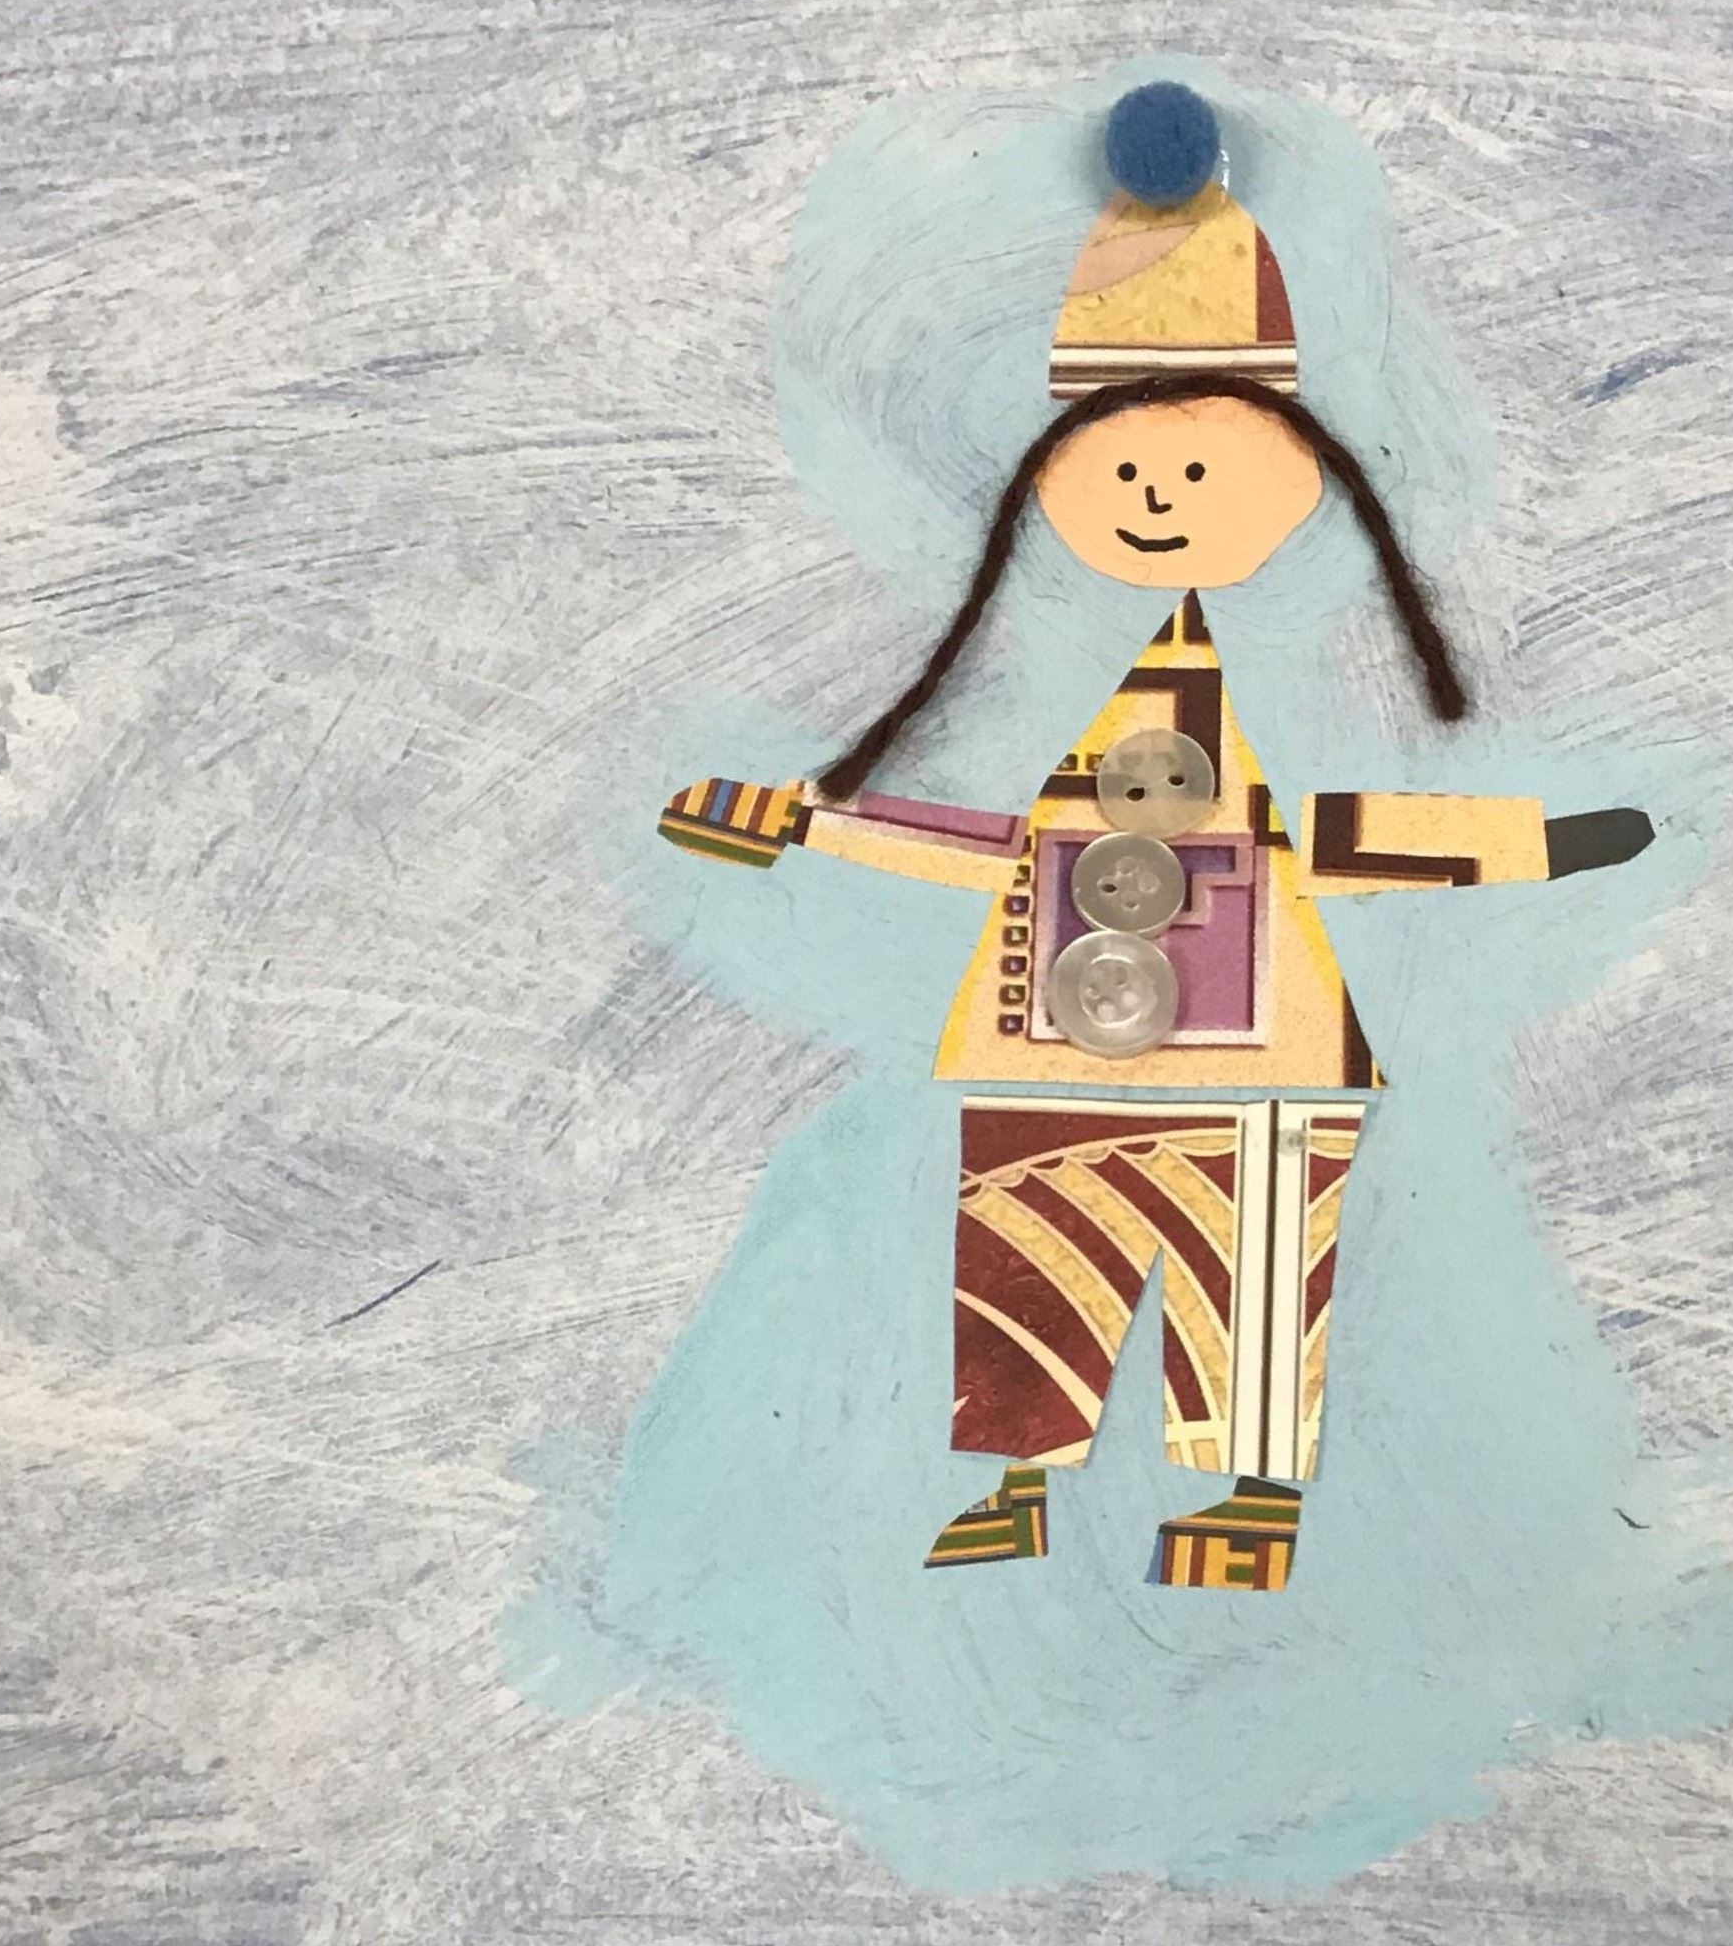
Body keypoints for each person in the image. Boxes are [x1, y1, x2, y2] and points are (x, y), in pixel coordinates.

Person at [658, 82, 1651, 1590]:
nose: (1155, 490)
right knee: (1031, 1263)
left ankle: (1251, 1505)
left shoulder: (1244, 705)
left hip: (1266, 1067)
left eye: (1196, 459)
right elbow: (1002, 854)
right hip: (1051, 1054)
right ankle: (1020, 1484)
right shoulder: (1112, 704)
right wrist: (800, 826)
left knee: (1247, 1280)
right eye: (1122, 459)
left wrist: (1542, 844)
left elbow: (1348, 839)